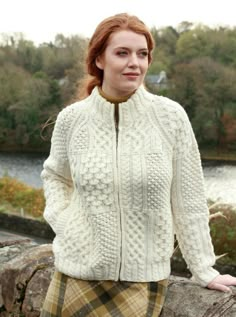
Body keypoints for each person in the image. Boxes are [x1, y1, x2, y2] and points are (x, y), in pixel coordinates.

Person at [40, 13, 236, 317]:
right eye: (123, 53)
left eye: (142, 54)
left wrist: (203, 268)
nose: (135, 62)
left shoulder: (170, 118)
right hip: (76, 272)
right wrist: (65, 222)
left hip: (142, 280)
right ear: (100, 59)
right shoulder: (72, 120)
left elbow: (189, 199)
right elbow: (55, 177)